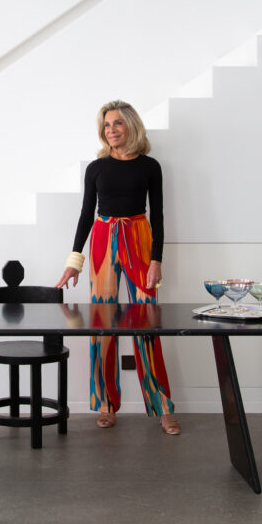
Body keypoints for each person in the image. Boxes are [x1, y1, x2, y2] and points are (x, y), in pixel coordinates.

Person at [55, 100, 179, 435]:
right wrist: (74, 262)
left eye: (117, 123)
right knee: (102, 323)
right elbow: (86, 215)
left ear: (131, 126)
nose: (111, 130)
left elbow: (158, 215)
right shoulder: (96, 168)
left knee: (147, 323)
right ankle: (106, 403)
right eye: (106, 125)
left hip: (139, 238)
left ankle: (162, 407)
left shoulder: (150, 166)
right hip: (102, 241)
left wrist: (156, 260)